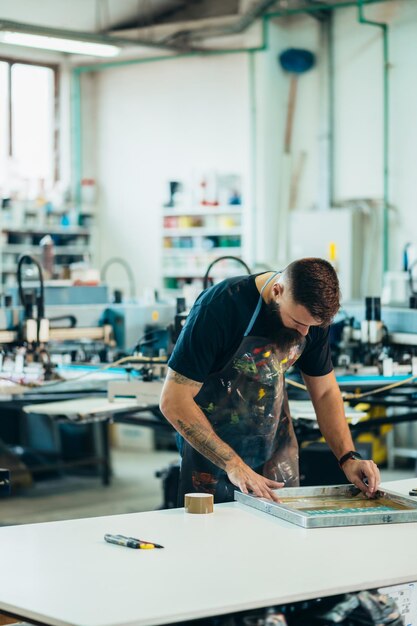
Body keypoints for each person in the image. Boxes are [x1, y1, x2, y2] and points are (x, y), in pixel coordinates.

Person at [160, 258, 380, 504]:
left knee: (280, 532)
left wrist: (348, 457)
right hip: (213, 450)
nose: (305, 333)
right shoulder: (219, 307)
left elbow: (325, 392)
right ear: (277, 291)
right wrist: (234, 464)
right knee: (213, 533)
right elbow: (173, 401)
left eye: (312, 326)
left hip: (274, 445)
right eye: (297, 323)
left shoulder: (311, 317)